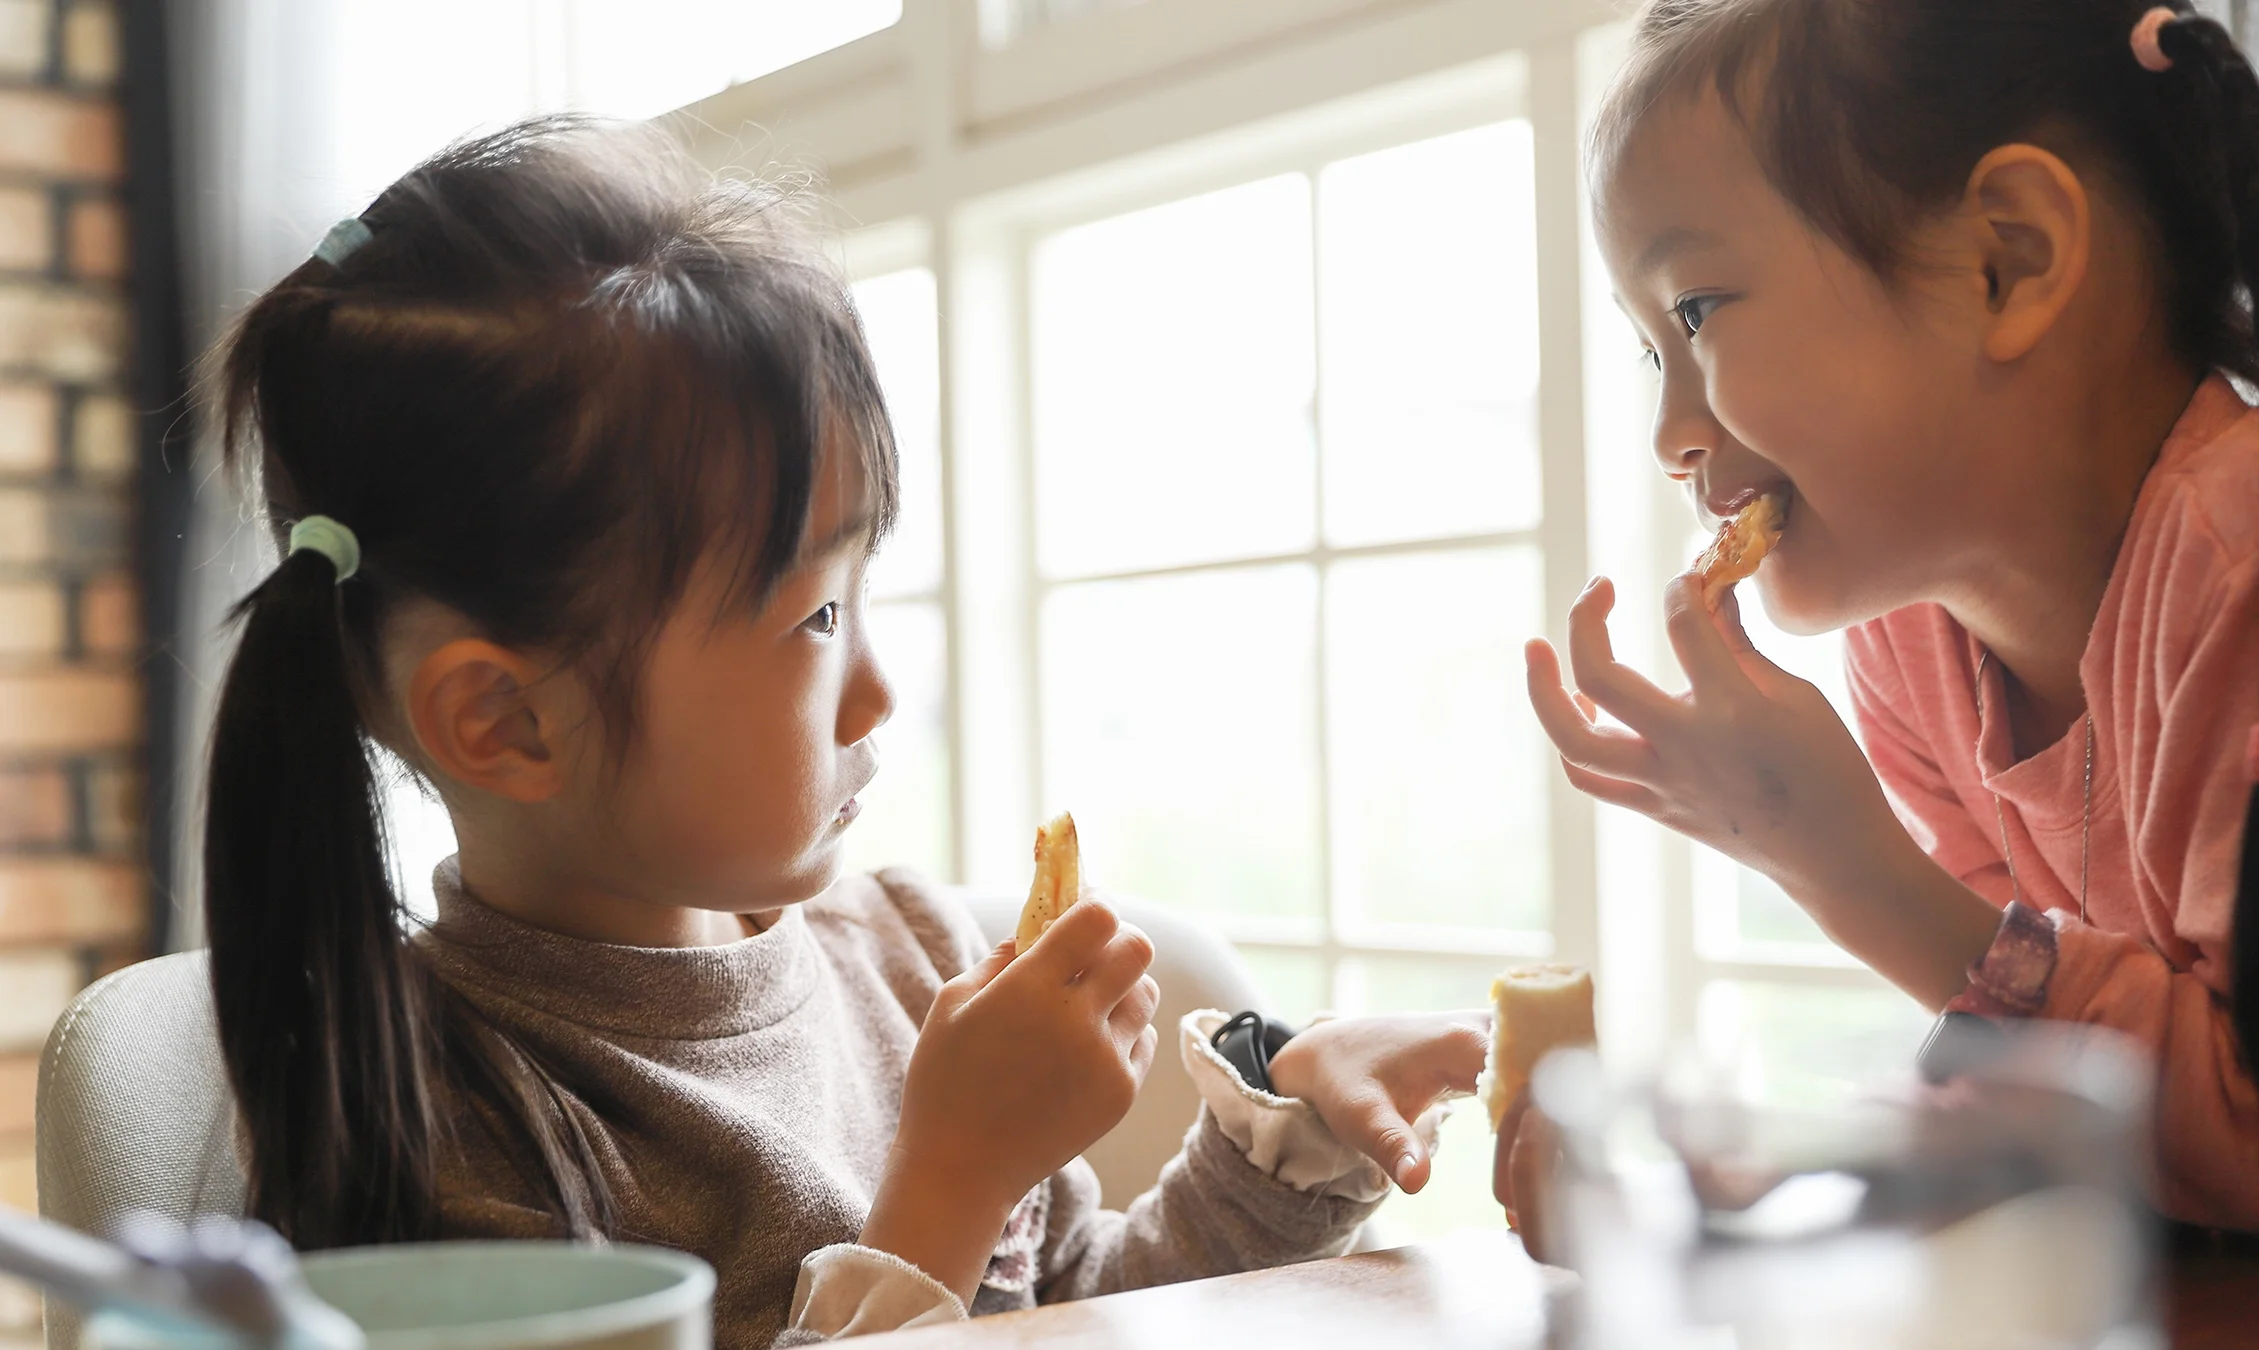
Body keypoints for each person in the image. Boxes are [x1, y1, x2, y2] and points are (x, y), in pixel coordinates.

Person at [200, 117, 1488, 1349]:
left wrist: (1289, 1132)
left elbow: (1087, 1311)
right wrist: (952, 1184)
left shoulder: (916, 959)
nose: (878, 692)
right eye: (817, 615)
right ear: (509, 721)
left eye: (865, 589)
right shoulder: (449, 1136)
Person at [1516, 0, 2259, 1245]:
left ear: (2009, 260)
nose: (1671, 437)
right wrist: (1831, 1168)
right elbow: (2084, 1082)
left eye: (1700, 312)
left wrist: (1844, 865)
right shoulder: (1915, 654)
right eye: (1651, 351)